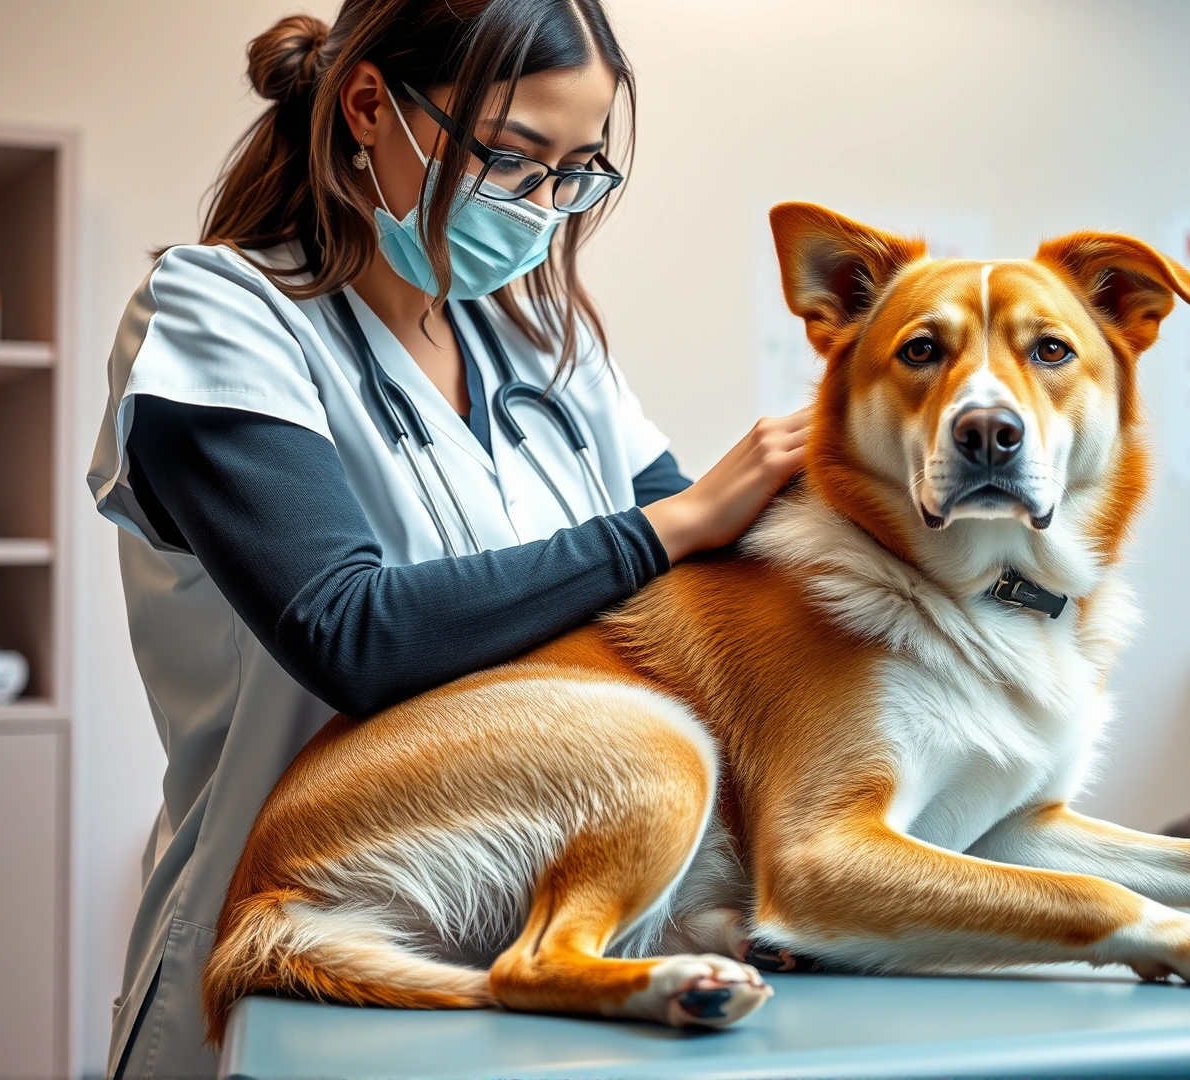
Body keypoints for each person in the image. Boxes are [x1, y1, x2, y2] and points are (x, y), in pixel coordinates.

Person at [85, 2, 808, 1075]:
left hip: (560, 942)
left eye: (577, 173)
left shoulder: (543, 347)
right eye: (513, 159)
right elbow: (352, 633)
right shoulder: (219, 313)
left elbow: (707, 586)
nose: (543, 209)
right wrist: (670, 524)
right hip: (312, 939)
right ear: (370, 106)